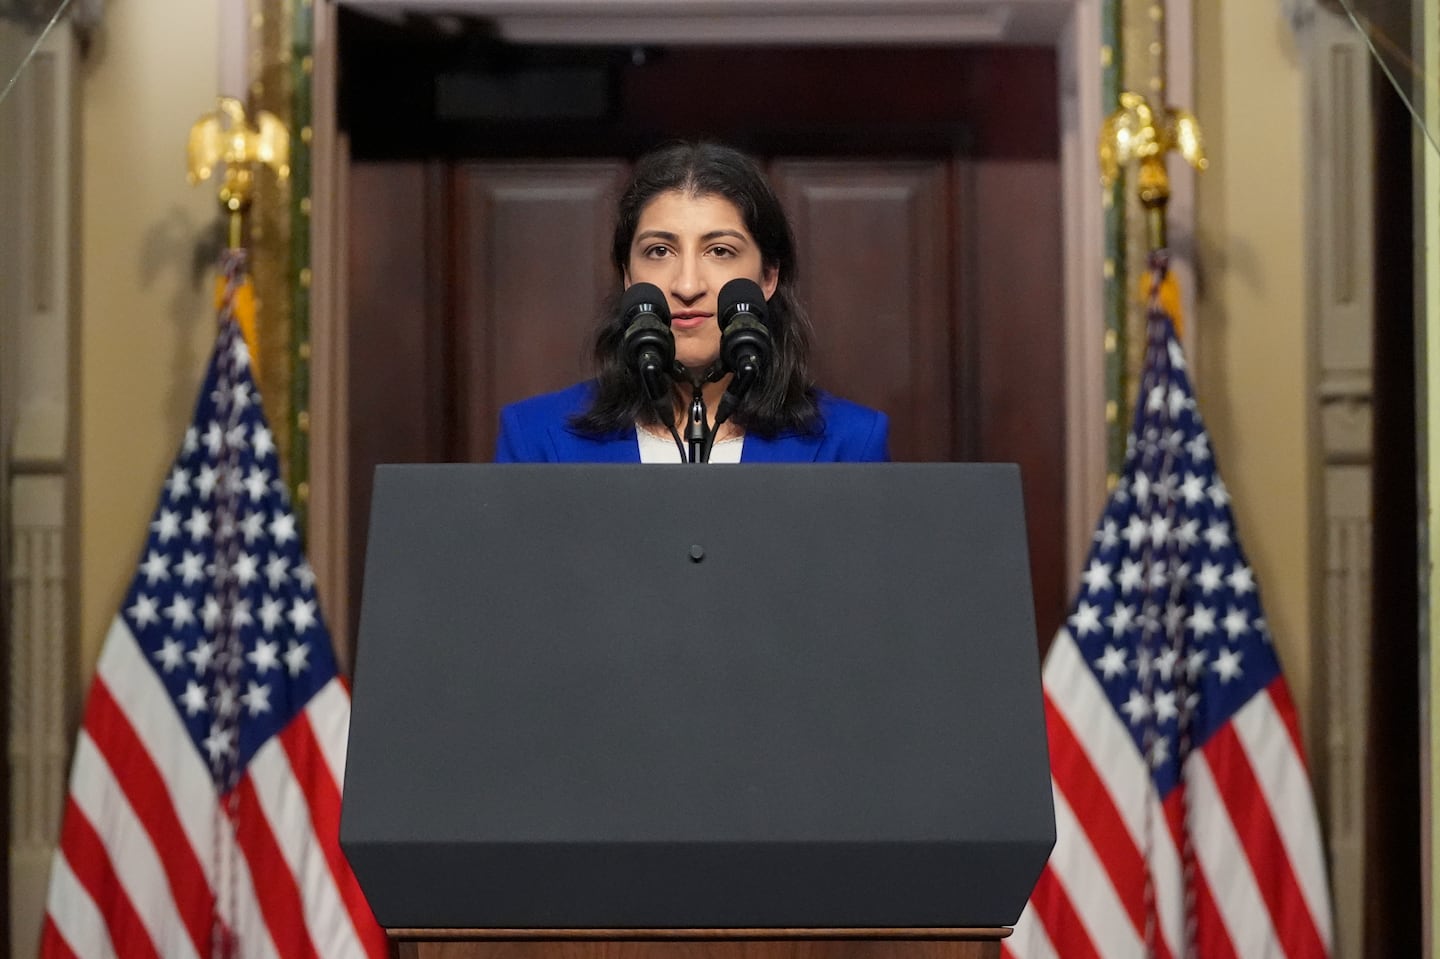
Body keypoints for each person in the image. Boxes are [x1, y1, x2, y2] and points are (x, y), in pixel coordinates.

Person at [493, 141, 890, 463]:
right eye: (660, 251)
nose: (686, 285)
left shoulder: (850, 443)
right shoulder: (534, 438)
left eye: (719, 251)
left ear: (768, 277)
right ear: (629, 276)